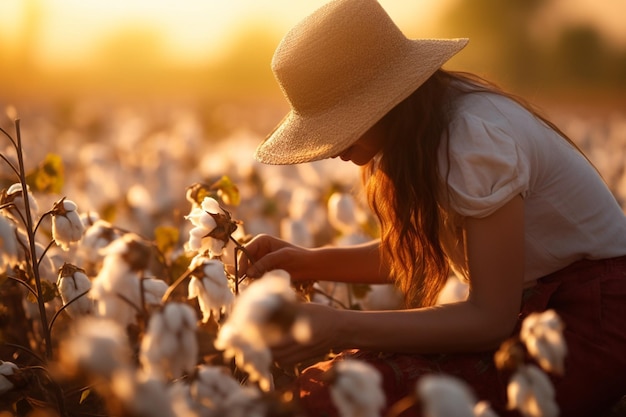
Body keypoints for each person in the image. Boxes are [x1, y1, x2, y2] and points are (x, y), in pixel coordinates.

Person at [238, 0, 626, 415]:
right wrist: (304, 262)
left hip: (595, 323)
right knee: (344, 386)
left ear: (382, 100)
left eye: (339, 125)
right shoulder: (431, 126)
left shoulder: (472, 137)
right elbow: (424, 252)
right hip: (539, 315)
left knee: (344, 391)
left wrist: (339, 325)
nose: (330, 149)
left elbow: (489, 319)